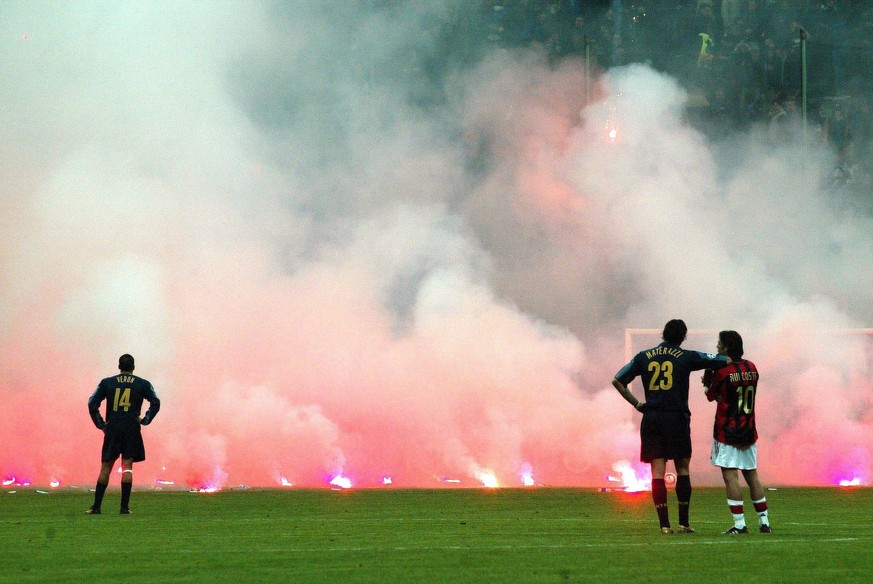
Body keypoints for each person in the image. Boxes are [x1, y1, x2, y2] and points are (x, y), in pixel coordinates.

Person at [612, 319, 730, 534]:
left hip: (653, 418)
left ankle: (664, 525)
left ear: (663, 334)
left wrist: (637, 403)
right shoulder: (687, 357)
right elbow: (723, 360)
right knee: (682, 468)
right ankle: (684, 523)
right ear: (683, 336)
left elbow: (618, 380)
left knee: (657, 472)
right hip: (677, 418)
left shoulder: (643, 357)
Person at [703, 330, 771, 534]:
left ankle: (740, 524)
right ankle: (764, 521)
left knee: (731, 476)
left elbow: (711, 395)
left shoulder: (723, 372)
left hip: (727, 431)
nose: (716, 347)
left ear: (725, 347)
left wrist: (708, 383)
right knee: (752, 475)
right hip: (749, 429)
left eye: (719, 344)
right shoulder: (752, 367)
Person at [87, 354, 160, 514]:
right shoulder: (143, 383)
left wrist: (101, 424)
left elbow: (92, 402)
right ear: (133, 367)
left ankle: (96, 507)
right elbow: (155, 402)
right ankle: (124, 508)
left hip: (112, 426)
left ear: (119, 366)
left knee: (106, 466)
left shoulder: (107, 382)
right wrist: (146, 419)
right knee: (127, 466)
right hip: (131, 427)